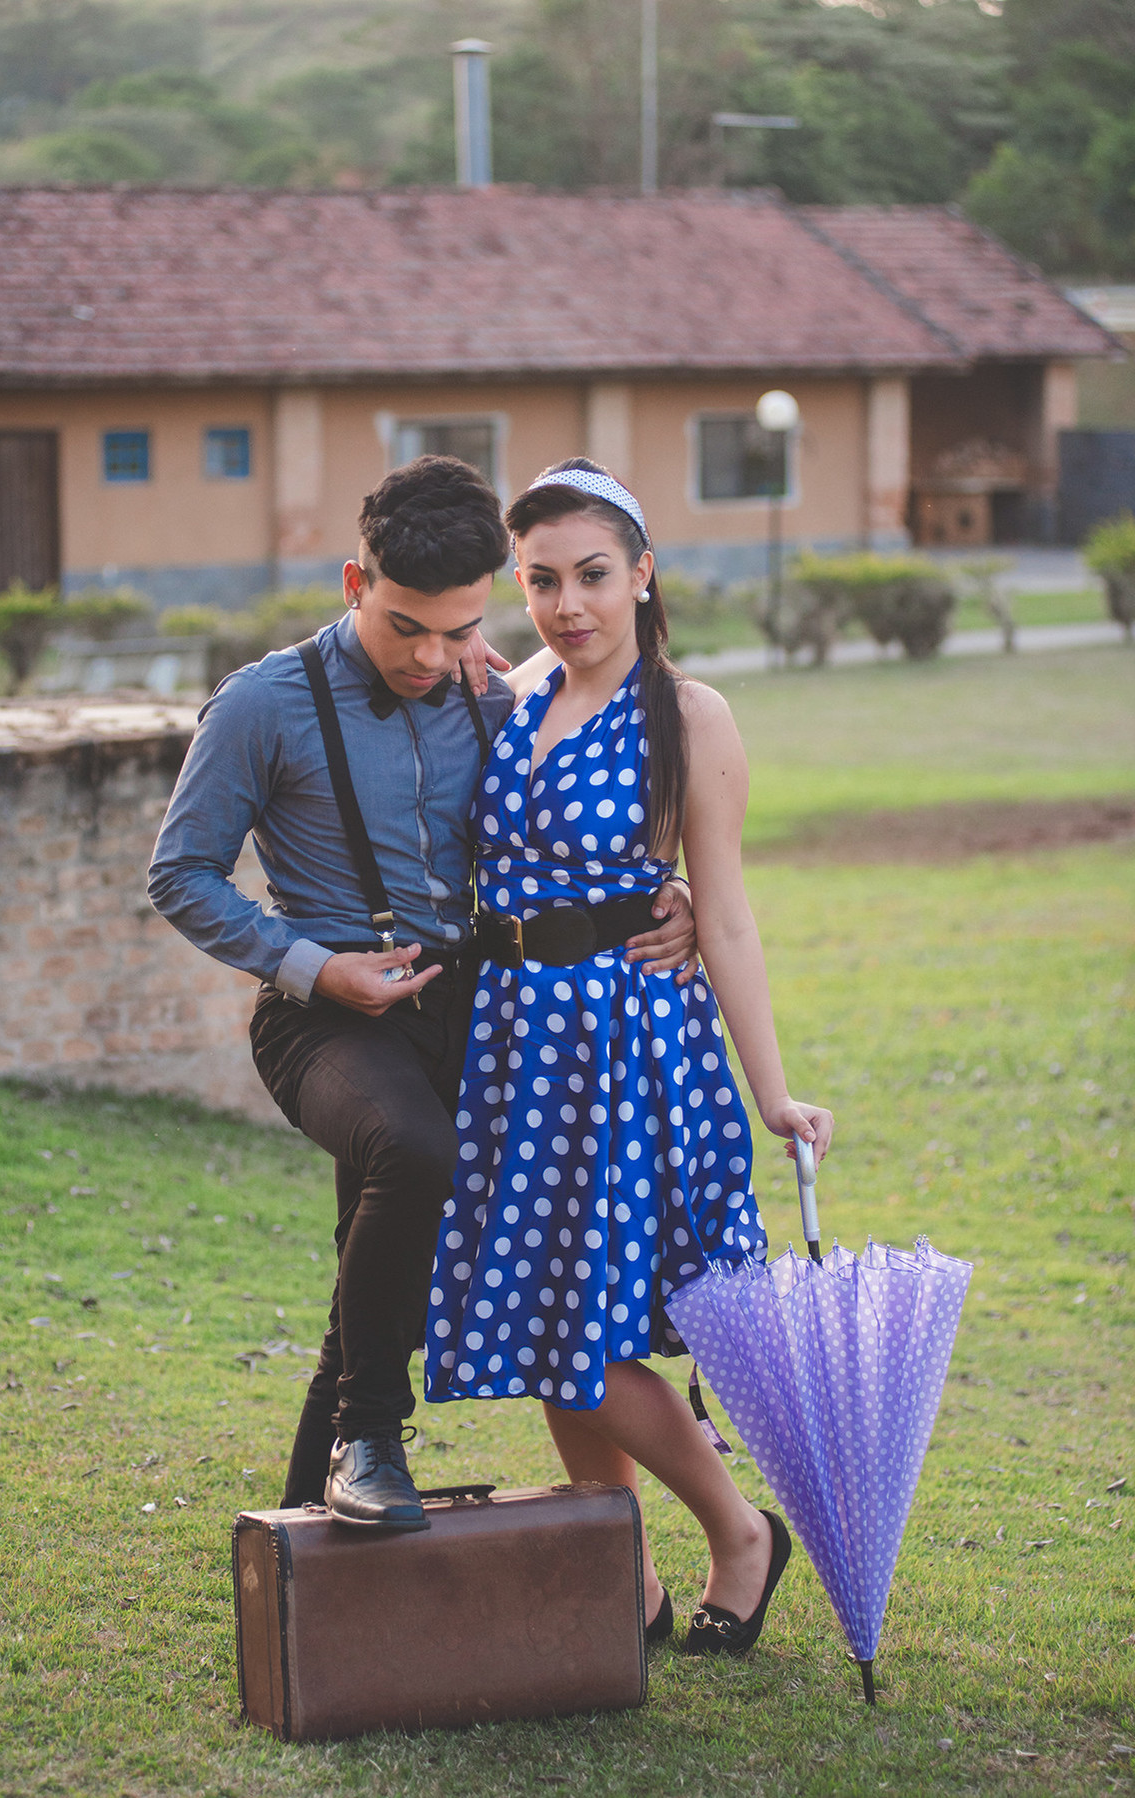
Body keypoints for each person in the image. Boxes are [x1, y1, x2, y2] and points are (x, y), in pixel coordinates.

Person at [147, 455, 695, 1533]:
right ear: (356, 584)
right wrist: (312, 964)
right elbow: (180, 873)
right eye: (407, 628)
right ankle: (372, 1439)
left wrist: (659, 900)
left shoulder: (488, 690)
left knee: (370, 1289)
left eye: (458, 630)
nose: (433, 657)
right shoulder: (263, 703)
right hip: (323, 1021)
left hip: (472, 1013)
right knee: (414, 1152)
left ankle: (301, 1546)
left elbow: (568, 824)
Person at [426, 459, 834, 1654]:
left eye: (594, 576)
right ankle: (631, 1577)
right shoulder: (505, 692)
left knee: (582, 1332)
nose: (569, 605)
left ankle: (739, 1532)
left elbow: (728, 912)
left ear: (643, 573)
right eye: (543, 579)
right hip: (510, 1045)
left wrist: (773, 1092)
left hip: (623, 1049)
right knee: (540, 1327)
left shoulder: (688, 715)